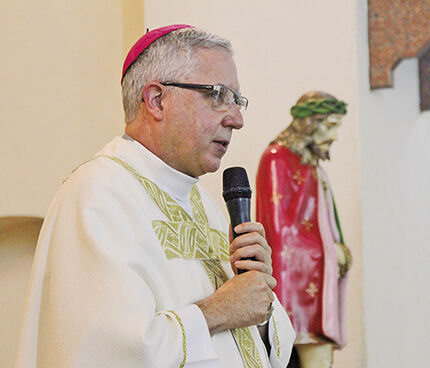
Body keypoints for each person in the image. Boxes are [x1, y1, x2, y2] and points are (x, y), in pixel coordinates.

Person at [16, 24, 295, 368]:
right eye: (219, 95)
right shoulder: (97, 193)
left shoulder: (202, 204)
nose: (236, 119)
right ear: (156, 100)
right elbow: (103, 353)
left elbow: (255, 342)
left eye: (237, 101)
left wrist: (259, 295)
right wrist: (220, 310)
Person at [256, 91, 352, 368]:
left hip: (316, 286)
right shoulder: (278, 158)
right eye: (330, 126)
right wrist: (329, 253)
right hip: (298, 295)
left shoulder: (310, 162)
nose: (334, 136)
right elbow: (280, 233)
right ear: (310, 122)